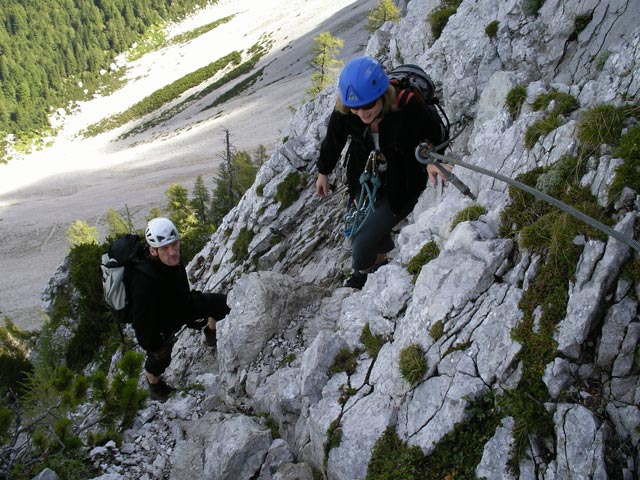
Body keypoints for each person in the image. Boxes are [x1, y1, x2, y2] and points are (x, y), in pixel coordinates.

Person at [315, 56, 452, 289]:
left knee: (359, 241)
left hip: (403, 182)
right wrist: (323, 171)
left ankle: (362, 273)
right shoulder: (346, 111)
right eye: (355, 107)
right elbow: (333, 140)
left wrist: (430, 159)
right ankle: (379, 264)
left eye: (368, 105)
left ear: (381, 96)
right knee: (360, 223)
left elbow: (433, 133)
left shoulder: (407, 106)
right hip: (365, 176)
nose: (361, 112)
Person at [125, 217, 230, 402]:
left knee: (222, 304)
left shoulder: (170, 261)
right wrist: (155, 347)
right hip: (161, 321)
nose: (172, 252)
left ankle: (211, 334)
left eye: (174, 244)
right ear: (153, 250)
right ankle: (155, 386)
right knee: (160, 358)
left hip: (182, 305)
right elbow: (142, 325)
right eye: (165, 248)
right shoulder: (143, 284)